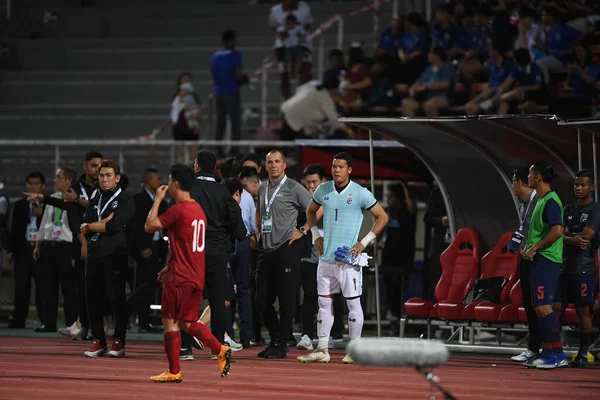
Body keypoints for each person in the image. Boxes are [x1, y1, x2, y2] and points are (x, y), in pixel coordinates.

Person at [298, 152, 389, 364]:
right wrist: (315, 235)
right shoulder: (323, 190)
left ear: (349, 169)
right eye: (334, 166)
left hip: (348, 260)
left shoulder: (360, 193)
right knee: (323, 303)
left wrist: (363, 242)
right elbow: (310, 212)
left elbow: (382, 217)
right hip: (326, 258)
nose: (336, 170)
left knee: (353, 303)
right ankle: (322, 349)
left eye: (340, 166)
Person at [144, 164, 232, 383]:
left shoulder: (178, 208)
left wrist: (157, 199)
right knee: (186, 322)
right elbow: (191, 247)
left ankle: (175, 370)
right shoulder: (198, 210)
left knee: (170, 322)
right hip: (194, 274)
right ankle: (220, 350)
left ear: (174, 183)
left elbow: (149, 226)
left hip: (179, 277)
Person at [179, 150, 246, 360]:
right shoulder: (223, 192)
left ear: (196, 166)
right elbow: (240, 231)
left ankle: (185, 348)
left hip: (191, 252)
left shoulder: (186, 189)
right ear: (215, 167)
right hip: (217, 252)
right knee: (218, 302)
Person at [255, 149, 312, 358]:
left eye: (277, 161)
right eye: (270, 162)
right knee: (261, 300)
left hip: (287, 247)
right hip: (266, 249)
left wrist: (303, 230)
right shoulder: (262, 189)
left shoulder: (294, 187)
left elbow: (317, 210)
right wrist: (258, 231)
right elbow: (260, 211)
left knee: (287, 300)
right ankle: (278, 338)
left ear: (284, 164)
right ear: (266, 166)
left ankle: (279, 344)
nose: (273, 165)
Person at [80, 160, 135, 358]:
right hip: (95, 253)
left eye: (109, 175)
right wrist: (97, 224)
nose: (104, 179)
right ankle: (99, 341)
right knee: (92, 298)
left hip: (115, 254)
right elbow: (84, 222)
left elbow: (114, 226)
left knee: (115, 299)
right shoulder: (96, 198)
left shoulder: (126, 199)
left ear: (117, 178)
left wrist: (91, 226)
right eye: (102, 175)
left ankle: (118, 342)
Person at [522, 161, 566, 369]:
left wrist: (536, 247)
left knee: (543, 307)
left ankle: (555, 354)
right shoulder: (540, 200)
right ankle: (551, 352)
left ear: (538, 177)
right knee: (540, 308)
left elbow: (557, 230)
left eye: (529, 175)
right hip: (540, 259)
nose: (527, 178)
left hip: (548, 259)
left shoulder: (550, 201)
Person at [553, 169, 599, 368]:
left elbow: (586, 237)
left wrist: (568, 237)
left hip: (583, 267)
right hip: (564, 266)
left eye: (583, 185)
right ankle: (554, 351)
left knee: (582, 311)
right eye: (576, 184)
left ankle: (583, 353)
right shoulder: (568, 209)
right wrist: (571, 238)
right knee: (556, 308)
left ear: (592, 187)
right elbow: (558, 235)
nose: (579, 188)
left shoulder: (595, 209)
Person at [29, 168, 80, 333]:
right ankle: (48, 322)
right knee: (48, 287)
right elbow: (44, 222)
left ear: (68, 180)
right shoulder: (52, 198)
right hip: (49, 245)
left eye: (59, 177)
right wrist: (38, 244)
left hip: (65, 245)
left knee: (68, 287)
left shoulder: (74, 199)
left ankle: (71, 322)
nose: (55, 180)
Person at [127, 168, 167, 332]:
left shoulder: (162, 201)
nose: (159, 181)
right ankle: (130, 312)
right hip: (146, 248)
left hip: (159, 246)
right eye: (156, 178)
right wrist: (143, 246)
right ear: (147, 180)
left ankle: (144, 319)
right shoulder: (138, 199)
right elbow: (136, 226)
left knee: (153, 284)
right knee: (148, 283)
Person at [508, 167, 540, 365]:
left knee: (540, 305)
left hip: (539, 258)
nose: (512, 186)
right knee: (528, 303)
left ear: (519, 182)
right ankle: (533, 347)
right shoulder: (523, 204)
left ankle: (546, 347)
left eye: (513, 182)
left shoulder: (540, 200)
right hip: (525, 256)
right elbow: (524, 228)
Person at [6, 172, 46, 329]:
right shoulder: (20, 205)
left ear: (42, 186)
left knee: (43, 287)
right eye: (30, 183)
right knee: (21, 286)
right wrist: (11, 250)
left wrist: (40, 214)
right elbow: (14, 229)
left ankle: (45, 319)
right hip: (23, 250)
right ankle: (19, 318)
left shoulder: (47, 204)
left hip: (41, 250)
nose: (33, 186)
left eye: (36, 184)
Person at [211, 30, 246, 155]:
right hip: (231, 91)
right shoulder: (235, 54)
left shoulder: (215, 56)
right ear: (231, 40)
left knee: (220, 123)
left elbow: (214, 75)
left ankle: (218, 151)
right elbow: (237, 74)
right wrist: (243, 79)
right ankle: (234, 152)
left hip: (219, 93)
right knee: (235, 122)